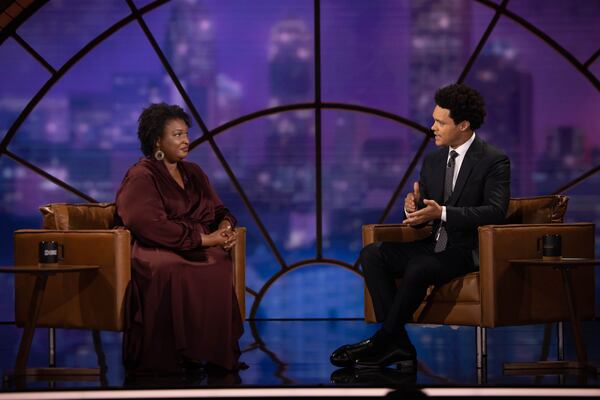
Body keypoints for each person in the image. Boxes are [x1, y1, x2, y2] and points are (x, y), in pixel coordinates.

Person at [330, 83, 510, 370]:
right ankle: (398, 345)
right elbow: (426, 213)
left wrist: (443, 213)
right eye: (433, 119)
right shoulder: (433, 160)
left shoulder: (493, 160)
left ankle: (384, 341)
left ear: (463, 124)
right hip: (433, 244)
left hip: (467, 250)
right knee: (372, 254)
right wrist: (413, 209)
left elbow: (496, 212)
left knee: (420, 266)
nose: (432, 127)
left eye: (440, 122)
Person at [116, 103, 244, 374]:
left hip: (197, 243)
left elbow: (220, 210)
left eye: (186, 134)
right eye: (177, 135)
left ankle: (207, 352)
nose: (186, 140)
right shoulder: (142, 175)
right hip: (157, 247)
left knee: (219, 263)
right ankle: (172, 356)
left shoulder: (194, 172)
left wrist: (224, 228)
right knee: (170, 268)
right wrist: (206, 240)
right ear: (157, 140)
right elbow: (147, 224)